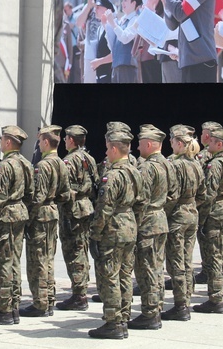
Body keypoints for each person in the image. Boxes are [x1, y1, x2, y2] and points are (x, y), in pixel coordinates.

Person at [0, 125, 34, 326]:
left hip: (4, 217)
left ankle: (5, 308)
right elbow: (31, 193)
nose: (0, 142)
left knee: (3, 262)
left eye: (2, 139)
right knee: (15, 261)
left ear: (8, 142)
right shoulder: (26, 163)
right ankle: (13, 304)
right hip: (19, 214)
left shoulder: (6, 166)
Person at [88, 129, 139, 339]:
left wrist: (94, 234)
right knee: (125, 275)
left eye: (108, 148)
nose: (106, 152)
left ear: (115, 148)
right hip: (129, 226)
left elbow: (104, 208)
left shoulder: (113, 175)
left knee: (109, 276)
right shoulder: (135, 171)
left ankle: (113, 322)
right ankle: (124, 317)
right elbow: (141, 201)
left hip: (113, 229)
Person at [21, 125, 70, 317]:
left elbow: (37, 197)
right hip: (53, 213)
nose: (39, 145)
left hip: (41, 216)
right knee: (49, 259)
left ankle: (40, 303)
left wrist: (28, 218)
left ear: (46, 142)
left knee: (38, 260)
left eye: (40, 141)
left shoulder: (43, 166)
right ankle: (49, 298)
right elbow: (65, 194)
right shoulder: (60, 163)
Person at [129, 125, 171, 329]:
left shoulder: (146, 167)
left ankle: (150, 313)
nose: (137, 148)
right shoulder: (168, 164)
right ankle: (156, 308)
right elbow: (173, 194)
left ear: (148, 144)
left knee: (146, 269)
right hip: (161, 219)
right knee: (156, 267)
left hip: (147, 222)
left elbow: (141, 199)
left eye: (139, 143)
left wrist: (134, 222)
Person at [193, 128, 223, 314]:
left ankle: (216, 299)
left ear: (220, 144)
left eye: (211, 142)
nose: (208, 144)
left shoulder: (216, 164)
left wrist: (201, 217)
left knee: (214, 256)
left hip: (216, 212)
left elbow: (209, 194)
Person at [161, 130, 202, 321]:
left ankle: (180, 305)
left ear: (179, 144)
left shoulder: (176, 165)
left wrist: (165, 213)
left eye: (173, 140)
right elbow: (203, 193)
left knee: (176, 262)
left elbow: (172, 195)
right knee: (187, 259)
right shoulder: (197, 164)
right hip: (192, 213)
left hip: (177, 216)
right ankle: (186, 298)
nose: (170, 143)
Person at [56, 125, 96, 311]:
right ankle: (81, 290)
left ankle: (79, 295)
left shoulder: (69, 161)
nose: (64, 141)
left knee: (74, 252)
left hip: (72, 210)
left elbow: (64, 190)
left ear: (72, 140)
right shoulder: (89, 158)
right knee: (83, 249)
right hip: (86, 207)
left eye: (66, 138)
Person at [104, 0, 141, 83]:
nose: (122, 3)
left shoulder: (136, 20)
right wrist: (107, 26)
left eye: (126, 0)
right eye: (122, 0)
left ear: (133, 3)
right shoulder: (121, 21)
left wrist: (112, 23)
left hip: (127, 66)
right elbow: (112, 46)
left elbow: (125, 38)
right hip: (116, 66)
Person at [75, 0, 108, 83]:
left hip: (104, 55)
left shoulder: (109, 6)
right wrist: (89, 6)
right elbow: (79, 23)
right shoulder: (89, 7)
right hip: (90, 54)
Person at [89, 0, 114, 84]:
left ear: (107, 9)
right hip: (100, 76)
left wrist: (99, 62)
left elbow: (115, 53)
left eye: (98, 7)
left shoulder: (112, 26)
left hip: (109, 75)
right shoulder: (100, 28)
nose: (95, 10)